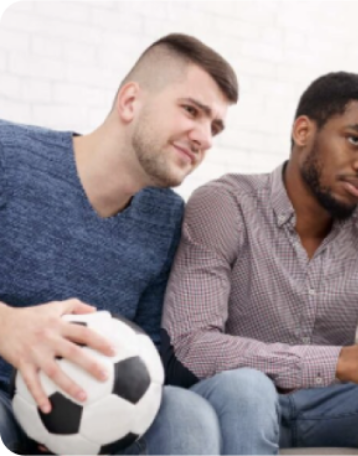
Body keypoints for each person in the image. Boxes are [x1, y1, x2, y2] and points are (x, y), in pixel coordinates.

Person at [161, 71, 358, 456]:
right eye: (355, 140)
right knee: (248, 388)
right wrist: (341, 361)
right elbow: (193, 346)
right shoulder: (226, 204)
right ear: (303, 131)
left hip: (330, 408)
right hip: (238, 401)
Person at [0, 33, 238, 455]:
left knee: (187, 413)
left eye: (214, 126)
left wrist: (99, 423)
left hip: (91, 414)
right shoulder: (9, 155)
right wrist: (7, 325)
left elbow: (146, 347)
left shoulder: (166, 216)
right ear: (130, 102)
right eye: (191, 110)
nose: (204, 137)